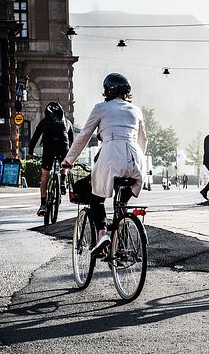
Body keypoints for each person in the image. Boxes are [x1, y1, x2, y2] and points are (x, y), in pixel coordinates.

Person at [61, 73, 148, 255]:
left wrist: (68, 161)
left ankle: (102, 234)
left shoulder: (101, 108)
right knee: (122, 203)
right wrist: (136, 162)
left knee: (96, 199)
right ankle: (121, 243)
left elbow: (84, 135)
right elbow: (144, 141)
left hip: (111, 156)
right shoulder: (136, 110)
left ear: (107, 90)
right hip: (136, 161)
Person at [30, 101, 74, 216]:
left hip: (48, 147)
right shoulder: (67, 122)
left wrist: (30, 152)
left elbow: (35, 137)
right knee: (64, 163)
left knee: (44, 177)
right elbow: (72, 140)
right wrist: (71, 155)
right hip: (63, 146)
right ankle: (63, 181)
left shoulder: (44, 121)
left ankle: (43, 205)